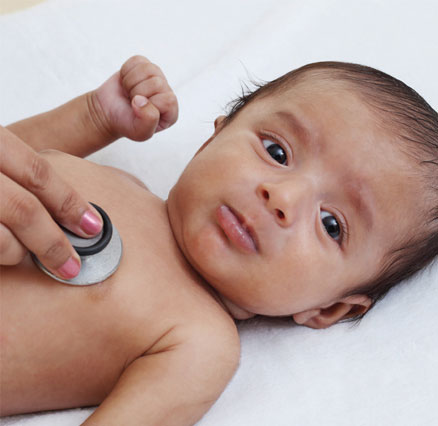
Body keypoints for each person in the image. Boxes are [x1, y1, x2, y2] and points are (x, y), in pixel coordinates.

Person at [1, 55, 437, 425]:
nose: (281, 198)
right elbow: (18, 162)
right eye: (277, 152)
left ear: (330, 308)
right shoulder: (119, 181)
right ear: (212, 138)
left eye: (331, 224)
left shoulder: (199, 343)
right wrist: (93, 117)